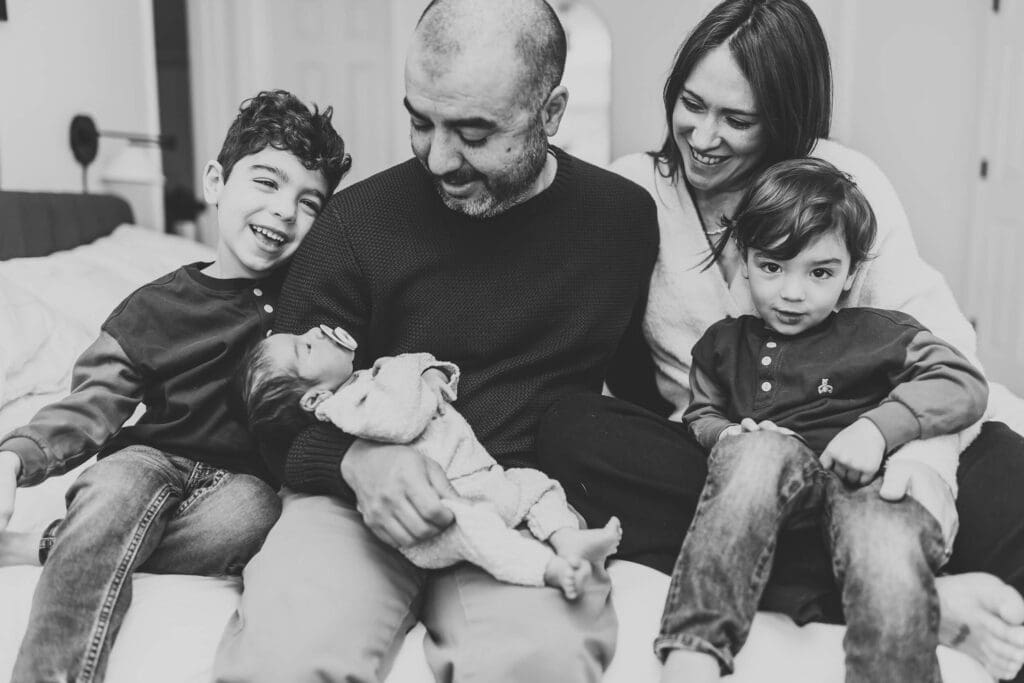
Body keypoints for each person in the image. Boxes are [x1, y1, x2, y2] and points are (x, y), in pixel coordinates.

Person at [535, 1, 1024, 680]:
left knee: (1013, 471)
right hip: (735, 463)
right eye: (692, 104)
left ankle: (888, 584)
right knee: (572, 429)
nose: (703, 135)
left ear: (784, 115)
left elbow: (945, 359)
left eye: (737, 119)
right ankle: (913, 602)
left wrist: (922, 469)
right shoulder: (633, 191)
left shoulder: (837, 185)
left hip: (865, 455)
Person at [212, 1, 658, 681]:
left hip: (515, 505)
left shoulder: (621, 220)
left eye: (475, 132)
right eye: (420, 121)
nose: (439, 158)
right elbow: (272, 409)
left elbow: (636, 392)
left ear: (552, 111)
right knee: (284, 659)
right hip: (356, 497)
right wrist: (356, 463)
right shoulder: (357, 222)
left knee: (544, 663)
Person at [0, 90, 351, 683]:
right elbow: (92, 405)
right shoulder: (154, 307)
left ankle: (59, 544)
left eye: (308, 202)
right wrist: (15, 458)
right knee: (111, 494)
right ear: (216, 181)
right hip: (149, 458)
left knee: (255, 516)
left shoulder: (311, 299)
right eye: (266, 182)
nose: (285, 211)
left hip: (242, 484)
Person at [656, 157, 988, 682]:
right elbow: (699, 411)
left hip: (861, 486)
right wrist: (727, 435)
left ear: (851, 273)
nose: (792, 292)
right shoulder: (722, 345)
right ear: (744, 260)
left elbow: (963, 383)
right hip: (767, 487)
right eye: (772, 266)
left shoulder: (877, 332)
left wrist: (877, 430)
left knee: (888, 542)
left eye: (820, 273)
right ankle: (694, 650)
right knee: (755, 450)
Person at [239, 325, 622, 599]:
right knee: (482, 536)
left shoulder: (361, 383)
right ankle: (545, 568)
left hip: (483, 480)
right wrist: (407, 365)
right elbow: (398, 421)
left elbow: (416, 396)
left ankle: (567, 539)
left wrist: (427, 372)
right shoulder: (342, 407)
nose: (315, 333)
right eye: (304, 348)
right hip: (436, 510)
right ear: (313, 400)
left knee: (538, 485)